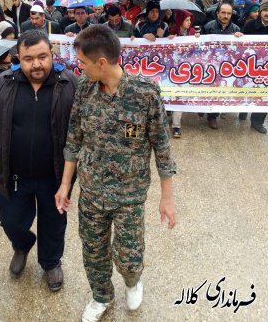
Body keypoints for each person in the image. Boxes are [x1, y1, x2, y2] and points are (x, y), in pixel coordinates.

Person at [55, 25, 176, 322]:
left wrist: (167, 198)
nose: (78, 68)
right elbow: (74, 138)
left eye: (82, 62)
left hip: (129, 196)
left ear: (101, 63)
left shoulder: (144, 95)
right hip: (92, 192)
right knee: (93, 252)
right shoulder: (84, 90)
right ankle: (100, 296)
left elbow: (162, 148)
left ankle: (133, 280)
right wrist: (64, 185)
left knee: (128, 256)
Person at [0, 31, 78, 291]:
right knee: (11, 221)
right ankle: (22, 245)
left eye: (42, 57)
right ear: (18, 58)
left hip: (54, 176)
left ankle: (51, 262)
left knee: (54, 223)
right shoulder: (2, 84)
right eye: (29, 58)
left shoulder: (69, 84)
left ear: (52, 54)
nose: (37, 64)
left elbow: (83, 130)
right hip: (14, 174)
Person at [202, 2, 243, 129]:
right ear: (217, 13)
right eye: (223, 13)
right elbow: (200, 46)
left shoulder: (236, 29)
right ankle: (208, 113)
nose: (226, 16)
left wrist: (240, 38)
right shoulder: (208, 27)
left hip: (227, 67)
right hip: (210, 65)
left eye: (229, 13)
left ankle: (214, 115)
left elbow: (240, 51)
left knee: (222, 90)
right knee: (210, 89)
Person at [168, 10, 199, 138]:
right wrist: (169, 40)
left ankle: (176, 125)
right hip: (172, 70)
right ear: (180, 20)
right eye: (186, 20)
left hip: (187, 71)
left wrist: (198, 40)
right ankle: (173, 122)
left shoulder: (192, 33)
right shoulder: (172, 33)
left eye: (190, 20)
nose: (189, 22)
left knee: (179, 97)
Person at [241, 0, 268, 133]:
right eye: (265, 10)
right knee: (245, 89)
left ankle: (257, 122)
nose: (267, 13)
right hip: (249, 65)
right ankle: (242, 110)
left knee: (264, 93)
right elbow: (240, 46)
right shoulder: (249, 25)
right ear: (260, 11)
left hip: (266, 69)